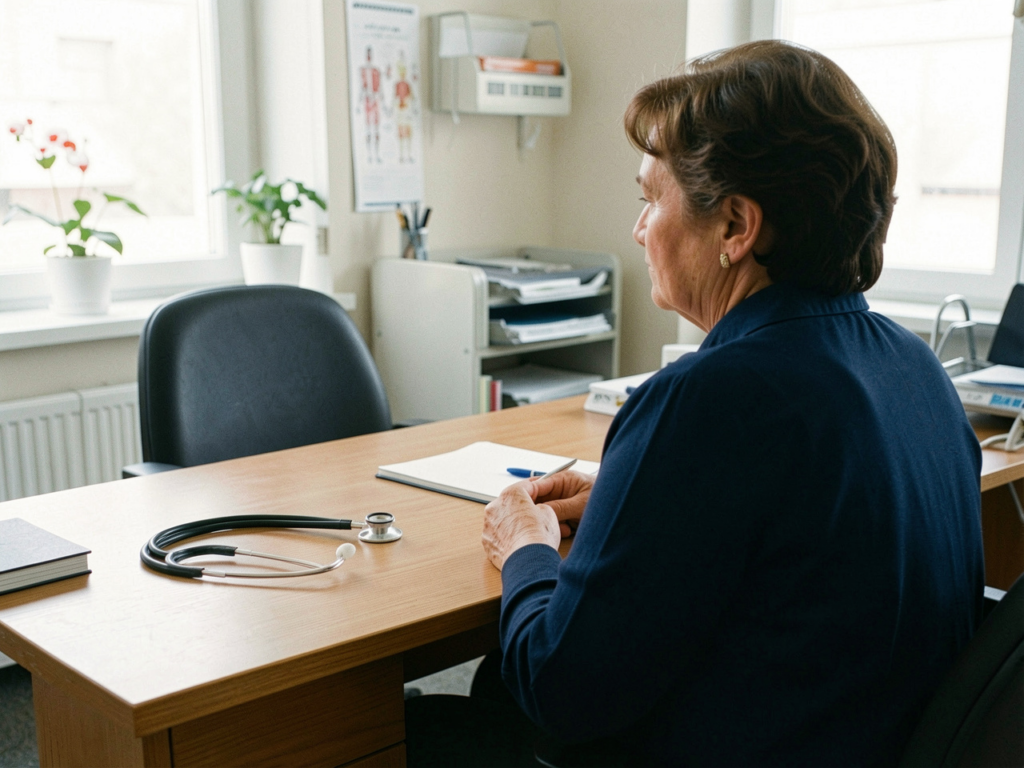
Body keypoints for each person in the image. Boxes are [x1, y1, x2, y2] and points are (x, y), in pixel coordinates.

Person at [405, 40, 984, 767]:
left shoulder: (711, 398)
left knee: (417, 727)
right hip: (857, 739)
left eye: (651, 199)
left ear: (736, 226)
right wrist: (633, 498)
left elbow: (559, 686)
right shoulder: (914, 367)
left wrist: (523, 546)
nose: (639, 229)